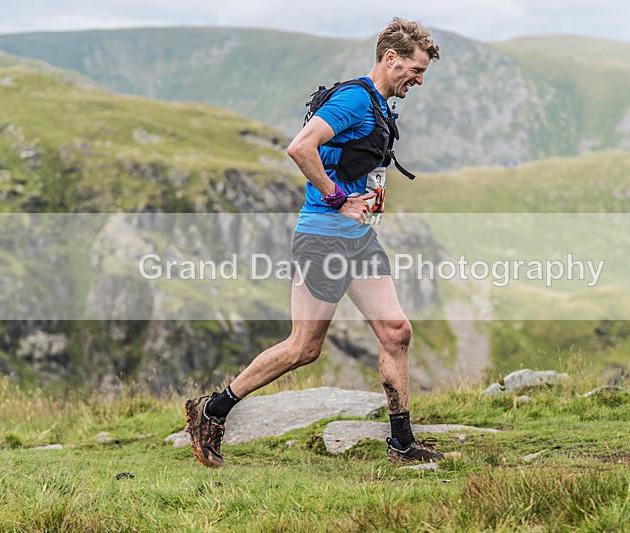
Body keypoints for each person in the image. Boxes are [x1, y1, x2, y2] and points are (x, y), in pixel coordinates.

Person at [185, 17, 454, 468]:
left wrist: (365, 196)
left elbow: (349, 160)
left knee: (397, 332)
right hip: (324, 238)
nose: (420, 80)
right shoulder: (353, 99)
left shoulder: (379, 104)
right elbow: (300, 147)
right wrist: (338, 198)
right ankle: (212, 410)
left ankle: (402, 444)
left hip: (359, 239)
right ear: (391, 59)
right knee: (304, 348)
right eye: (416, 69)